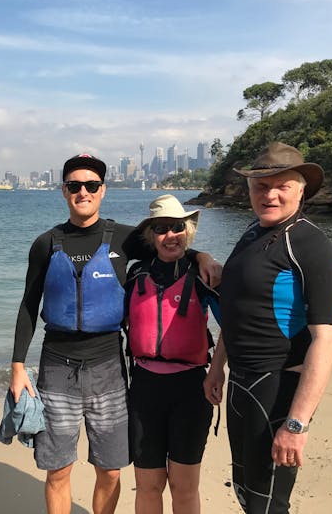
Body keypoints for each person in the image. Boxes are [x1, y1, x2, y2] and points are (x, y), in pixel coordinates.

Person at [10, 154, 220, 514]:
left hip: (108, 367)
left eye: (91, 185)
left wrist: (202, 256)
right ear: (64, 191)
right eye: (75, 185)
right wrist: (17, 367)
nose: (83, 192)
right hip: (56, 367)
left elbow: (170, 245)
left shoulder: (124, 239)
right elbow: (29, 305)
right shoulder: (45, 243)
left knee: (109, 469)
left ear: (103, 190)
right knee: (57, 470)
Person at [204, 142, 332, 514]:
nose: (270, 194)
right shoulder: (252, 234)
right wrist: (218, 366)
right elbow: (236, 309)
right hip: (241, 382)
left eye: (282, 185)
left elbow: (327, 339)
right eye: (261, 186)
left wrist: (297, 424)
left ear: (301, 189)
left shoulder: (311, 244)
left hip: (279, 388)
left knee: (269, 502)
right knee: (247, 490)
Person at [124, 194, 222, 514]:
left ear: (187, 231)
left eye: (177, 228)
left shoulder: (203, 275)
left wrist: (217, 370)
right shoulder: (135, 275)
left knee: (184, 486)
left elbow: (234, 328)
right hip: (144, 390)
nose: (171, 236)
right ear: (151, 236)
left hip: (191, 391)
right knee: (149, 486)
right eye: (162, 229)